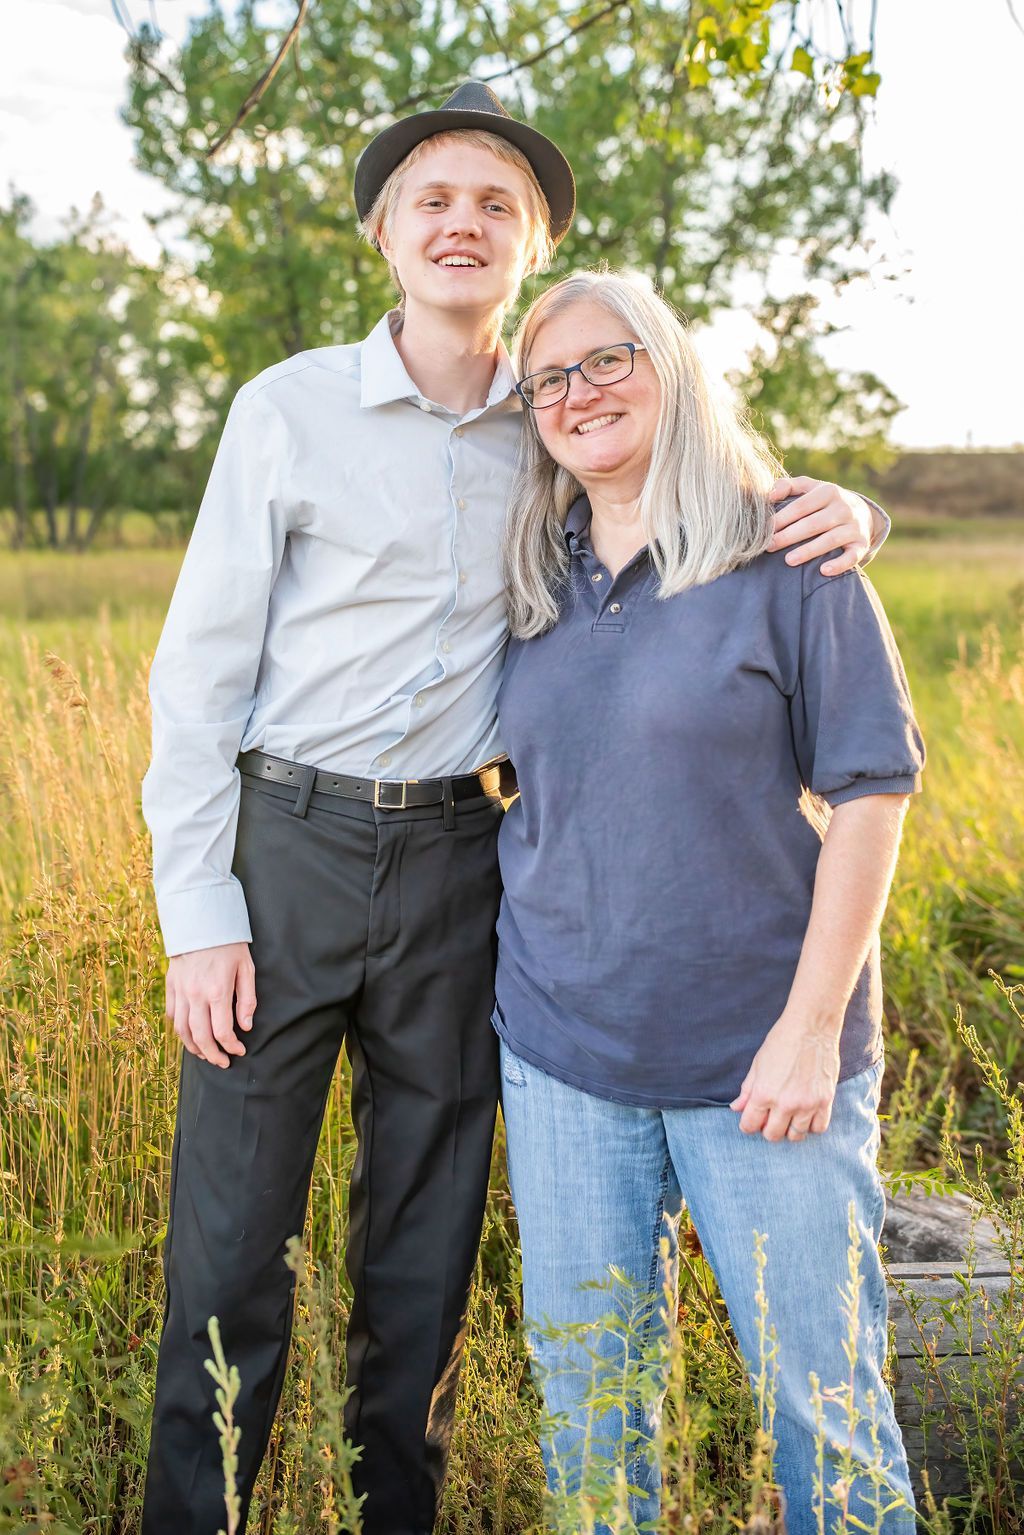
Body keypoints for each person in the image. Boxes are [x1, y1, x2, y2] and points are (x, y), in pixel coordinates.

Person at [140, 83, 892, 1533]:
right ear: (386, 236)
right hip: (281, 846)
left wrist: (848, 506)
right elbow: (196, 678)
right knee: (231, 1250)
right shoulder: (284, 410)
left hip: (462, 863)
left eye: (497, 203)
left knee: (418, 1253)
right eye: (434, 199)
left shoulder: (556, 423)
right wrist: (199, 915)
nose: (463, 222)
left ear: (535, 241)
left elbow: (706, 492)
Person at [494, 269, 925, 1535]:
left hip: (763, 1053)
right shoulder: (529, 573)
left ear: (670, 365)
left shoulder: (787, 546)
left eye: (607, 359)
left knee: (826, 1410)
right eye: (550, 377)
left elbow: (872, 788)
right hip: (565, 1054)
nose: (580, 393)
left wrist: (808, 1025)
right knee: (591, 1414)